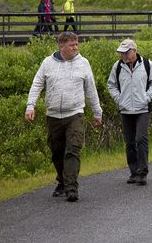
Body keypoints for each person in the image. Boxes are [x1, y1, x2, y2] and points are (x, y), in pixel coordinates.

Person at [25, 32, 103, 202]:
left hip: (75, 113)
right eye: (72, 45)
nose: (76, 47)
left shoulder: (83, 64)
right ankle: (61, 181)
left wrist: (97, 112)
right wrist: (30, 106)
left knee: (73, 149)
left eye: (77, 44)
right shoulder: (47, 63)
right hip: (53, 115)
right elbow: (37, 84)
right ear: (61, 46)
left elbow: (91, 89)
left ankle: (71, 188)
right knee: (57, 152)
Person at [107, 39, 152, 186]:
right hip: (125, 109)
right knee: (129, 142)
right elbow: (111, 84)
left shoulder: (147, 64)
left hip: (143, 108)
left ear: (134, 51)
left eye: (125, 52)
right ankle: (134, 172)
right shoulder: (117, 66)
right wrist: (119, 99)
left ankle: (142, 173)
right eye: (121, 53)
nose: (123, 56)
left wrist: (147, 97)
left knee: (140, 139)